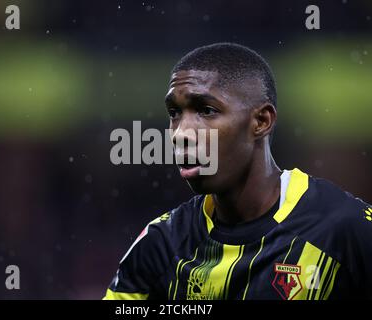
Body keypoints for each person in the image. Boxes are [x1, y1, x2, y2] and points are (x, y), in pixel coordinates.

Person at [103, 43, 372, 300]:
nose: (181, 132)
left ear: (261, 121)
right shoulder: (161, 245)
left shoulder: (343, 229)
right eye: (175, 113)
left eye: (206, 110)